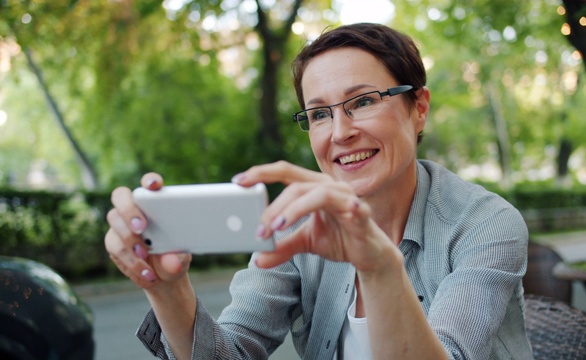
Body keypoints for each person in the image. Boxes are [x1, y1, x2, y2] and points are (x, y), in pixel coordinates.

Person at [105, 23, 533, 359]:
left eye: (363, 101)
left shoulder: (485, 224)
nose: (341, 133)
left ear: (418, 108)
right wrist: (167, 288)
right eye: (319, 114)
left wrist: (380, 265)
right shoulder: (299, 225)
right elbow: (230, 354)